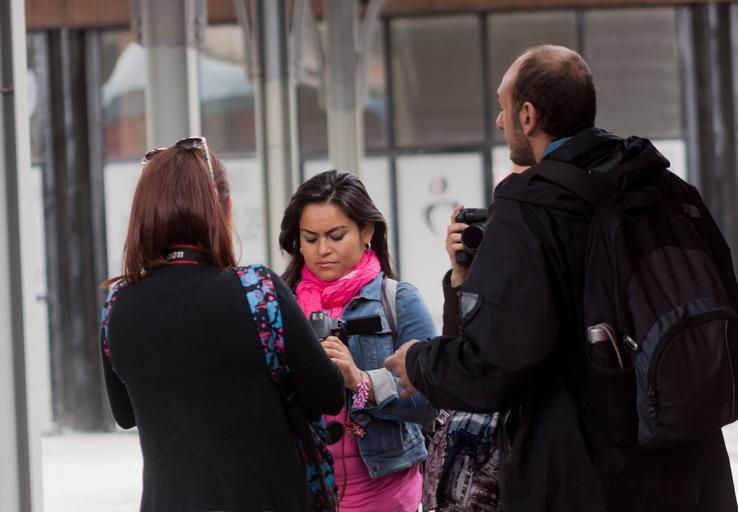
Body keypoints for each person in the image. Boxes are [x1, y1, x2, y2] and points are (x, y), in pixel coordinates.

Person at [385, 45, 738, 512]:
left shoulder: (531, 208)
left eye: (503, 106)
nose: (499, 121)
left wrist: (418, 363)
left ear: (527, 115)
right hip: (694, 466)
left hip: (586, 474)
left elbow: (493, 366)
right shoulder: (669, 190)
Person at [100, 137, 344, 512]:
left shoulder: (117, 304)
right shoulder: (257, 291)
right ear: (224, 209)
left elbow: (125, 414)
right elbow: (327, 394)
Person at [279, 169, 437, 512]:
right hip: (302, 491)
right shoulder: (280, 306)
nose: (323, 250)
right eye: (310, 238)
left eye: (336, 236)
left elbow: (431, 401)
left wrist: (361, 381)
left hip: (385, 494)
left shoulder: (399, 301)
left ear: (367, 231)